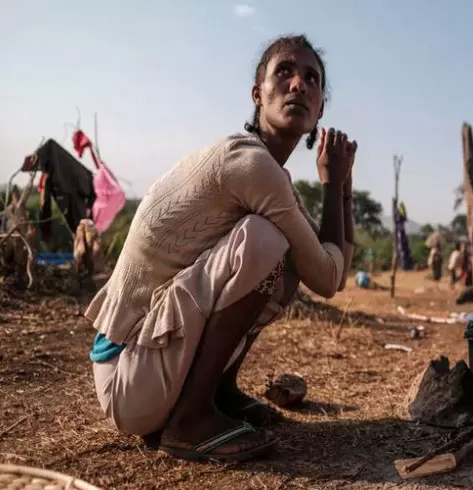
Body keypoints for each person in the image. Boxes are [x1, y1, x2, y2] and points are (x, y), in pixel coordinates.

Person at [84, 35, 358, 462]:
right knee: (265, 239)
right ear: (257, 94)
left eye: (311, 78)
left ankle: (217, 393)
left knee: (285, 257)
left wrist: (342, 191)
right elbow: (327, 277)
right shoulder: (248, 163)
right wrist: (332, 187)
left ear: (320, 108)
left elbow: (331, 274)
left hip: (154, 367)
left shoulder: (276, 184)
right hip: (127, 377)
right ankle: (190, 420)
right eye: (283, 71)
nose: (298, 85)